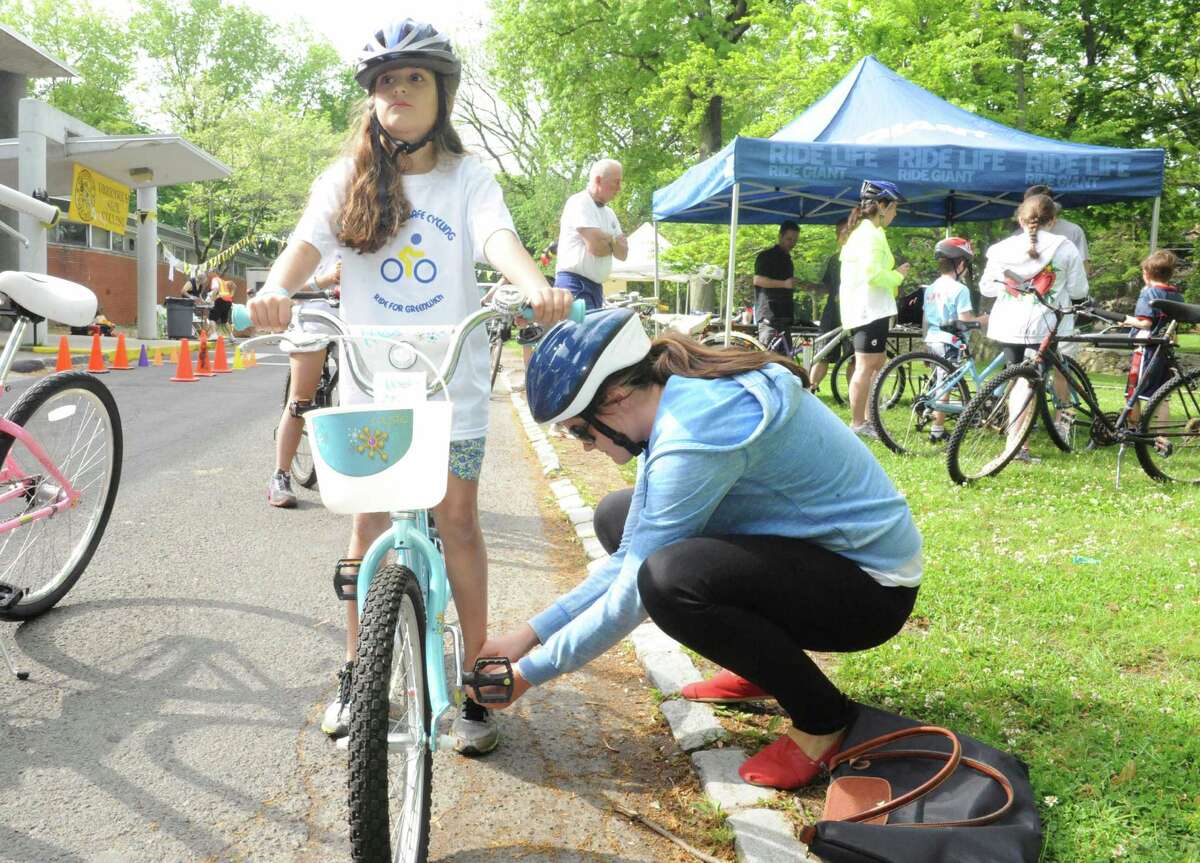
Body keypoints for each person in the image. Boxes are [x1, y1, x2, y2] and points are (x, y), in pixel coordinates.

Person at [246, 18, 573, 752]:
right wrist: (273, 290)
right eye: (386, 80)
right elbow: (306, 244)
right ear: (372, 96)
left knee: (458, 522)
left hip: (450, 384)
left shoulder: (467, 177)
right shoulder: (346, 178)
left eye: (414, 77)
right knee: (366, 525)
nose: (398, 89)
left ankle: (478, 680)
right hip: (372, 385)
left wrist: (534, 285)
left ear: (440, 93)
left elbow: (497, 238)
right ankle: (360, 673)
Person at [476, 308, 922, 790]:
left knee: (668, 581)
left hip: (871, 592)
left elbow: (631, 594)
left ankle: (824, 720)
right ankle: (764, 666)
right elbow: (627, 555)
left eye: (581, 431)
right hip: (819, 557)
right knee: (616, 516)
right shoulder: (670, 398)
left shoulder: (694, 430)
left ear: (616, 395)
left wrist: (526, 675)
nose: (583, 446)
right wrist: (526, 636)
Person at [979, 193, 1088, 461]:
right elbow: (1079, 290)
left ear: (1020, 219)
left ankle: (1017, 442)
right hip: (1044, 326)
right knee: (1030, 383)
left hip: (1008, 324)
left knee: (1016, 380)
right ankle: (1017, 446)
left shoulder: (1001, 249)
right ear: (1053, 220)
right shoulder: (1065, 247)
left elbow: (987, 288)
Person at [268, 257, 342, 509]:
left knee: (367, 393)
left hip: (355, 321)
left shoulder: (375, 237)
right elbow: (285, 285)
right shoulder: (312, 239)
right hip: (313, 321)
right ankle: (280, 475)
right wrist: (326, 279)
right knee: (300, 400)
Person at [840, 180, 910, 437]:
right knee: (866, 365)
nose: (895, 214)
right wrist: (898, 275)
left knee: (876, 362)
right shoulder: (870, 234)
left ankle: (869, 419)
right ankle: (858, 423)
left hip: (869, 308)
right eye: (894, 208)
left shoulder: (864, 231)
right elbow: (872, 274)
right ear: (882, 205)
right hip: (868, 309)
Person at [922, 237, 987, 441]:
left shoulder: (931, 288)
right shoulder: (960, 289)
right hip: (950, 341)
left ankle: (935, 422)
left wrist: (924, 343)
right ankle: (937, 430)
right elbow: (965, 320)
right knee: (946, 386)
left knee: (940, 381)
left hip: (932, 339)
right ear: (960, 264)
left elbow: (925, 319)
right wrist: (985, 319)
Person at [1121, 250, 1182, 440]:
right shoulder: (1175, 294)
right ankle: (1161, 438)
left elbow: (1145, 323)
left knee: (1133, 393)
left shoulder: (1149, 293)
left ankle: (1134, 433)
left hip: (1147, 350)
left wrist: (1126, 320)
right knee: (1162, 396)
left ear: (1146, 273)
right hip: (1166, 350)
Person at [554, 160, 627, 310]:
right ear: (599, 180)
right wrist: (613, 242)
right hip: (574, 285)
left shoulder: (610, 213)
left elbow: (623, 253)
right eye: (616, 182)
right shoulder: (579, 202)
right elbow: (596, 247)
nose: (619, 188)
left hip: (596, 289)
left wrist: (606, 240)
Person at [807, 219, 851, 392]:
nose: (841, 236)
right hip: (832, 313)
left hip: (853, 313)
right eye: (838, 232)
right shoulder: (834, 260)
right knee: (822, 354)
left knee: (853, 357)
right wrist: (812, 287)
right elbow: (827, 287)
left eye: (845, 231)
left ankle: (854, 396)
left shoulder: (860, 257)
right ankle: (810, 390)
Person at [752, 221, 799, 353]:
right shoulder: (766, 256)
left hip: (785, 317)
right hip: (770, 317)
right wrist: (784, 284)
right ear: (780, 236)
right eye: (789, 239)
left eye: (795, 240)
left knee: (786, 359)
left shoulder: (787, 259)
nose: (792, 243)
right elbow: (757, 280)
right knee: (768, 358)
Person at [207, 271, 235, 341]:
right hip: (228, 301)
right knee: (225, 321)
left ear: (213, 273)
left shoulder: (215, 279)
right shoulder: (222, 281)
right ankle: (231, 336)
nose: (208, 275)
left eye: (209, 273)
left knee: (212, 318)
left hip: (221, 300)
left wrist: (212, 300)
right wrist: (231, 295)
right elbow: (234, 286)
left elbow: (216, 289)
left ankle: (214, 335)